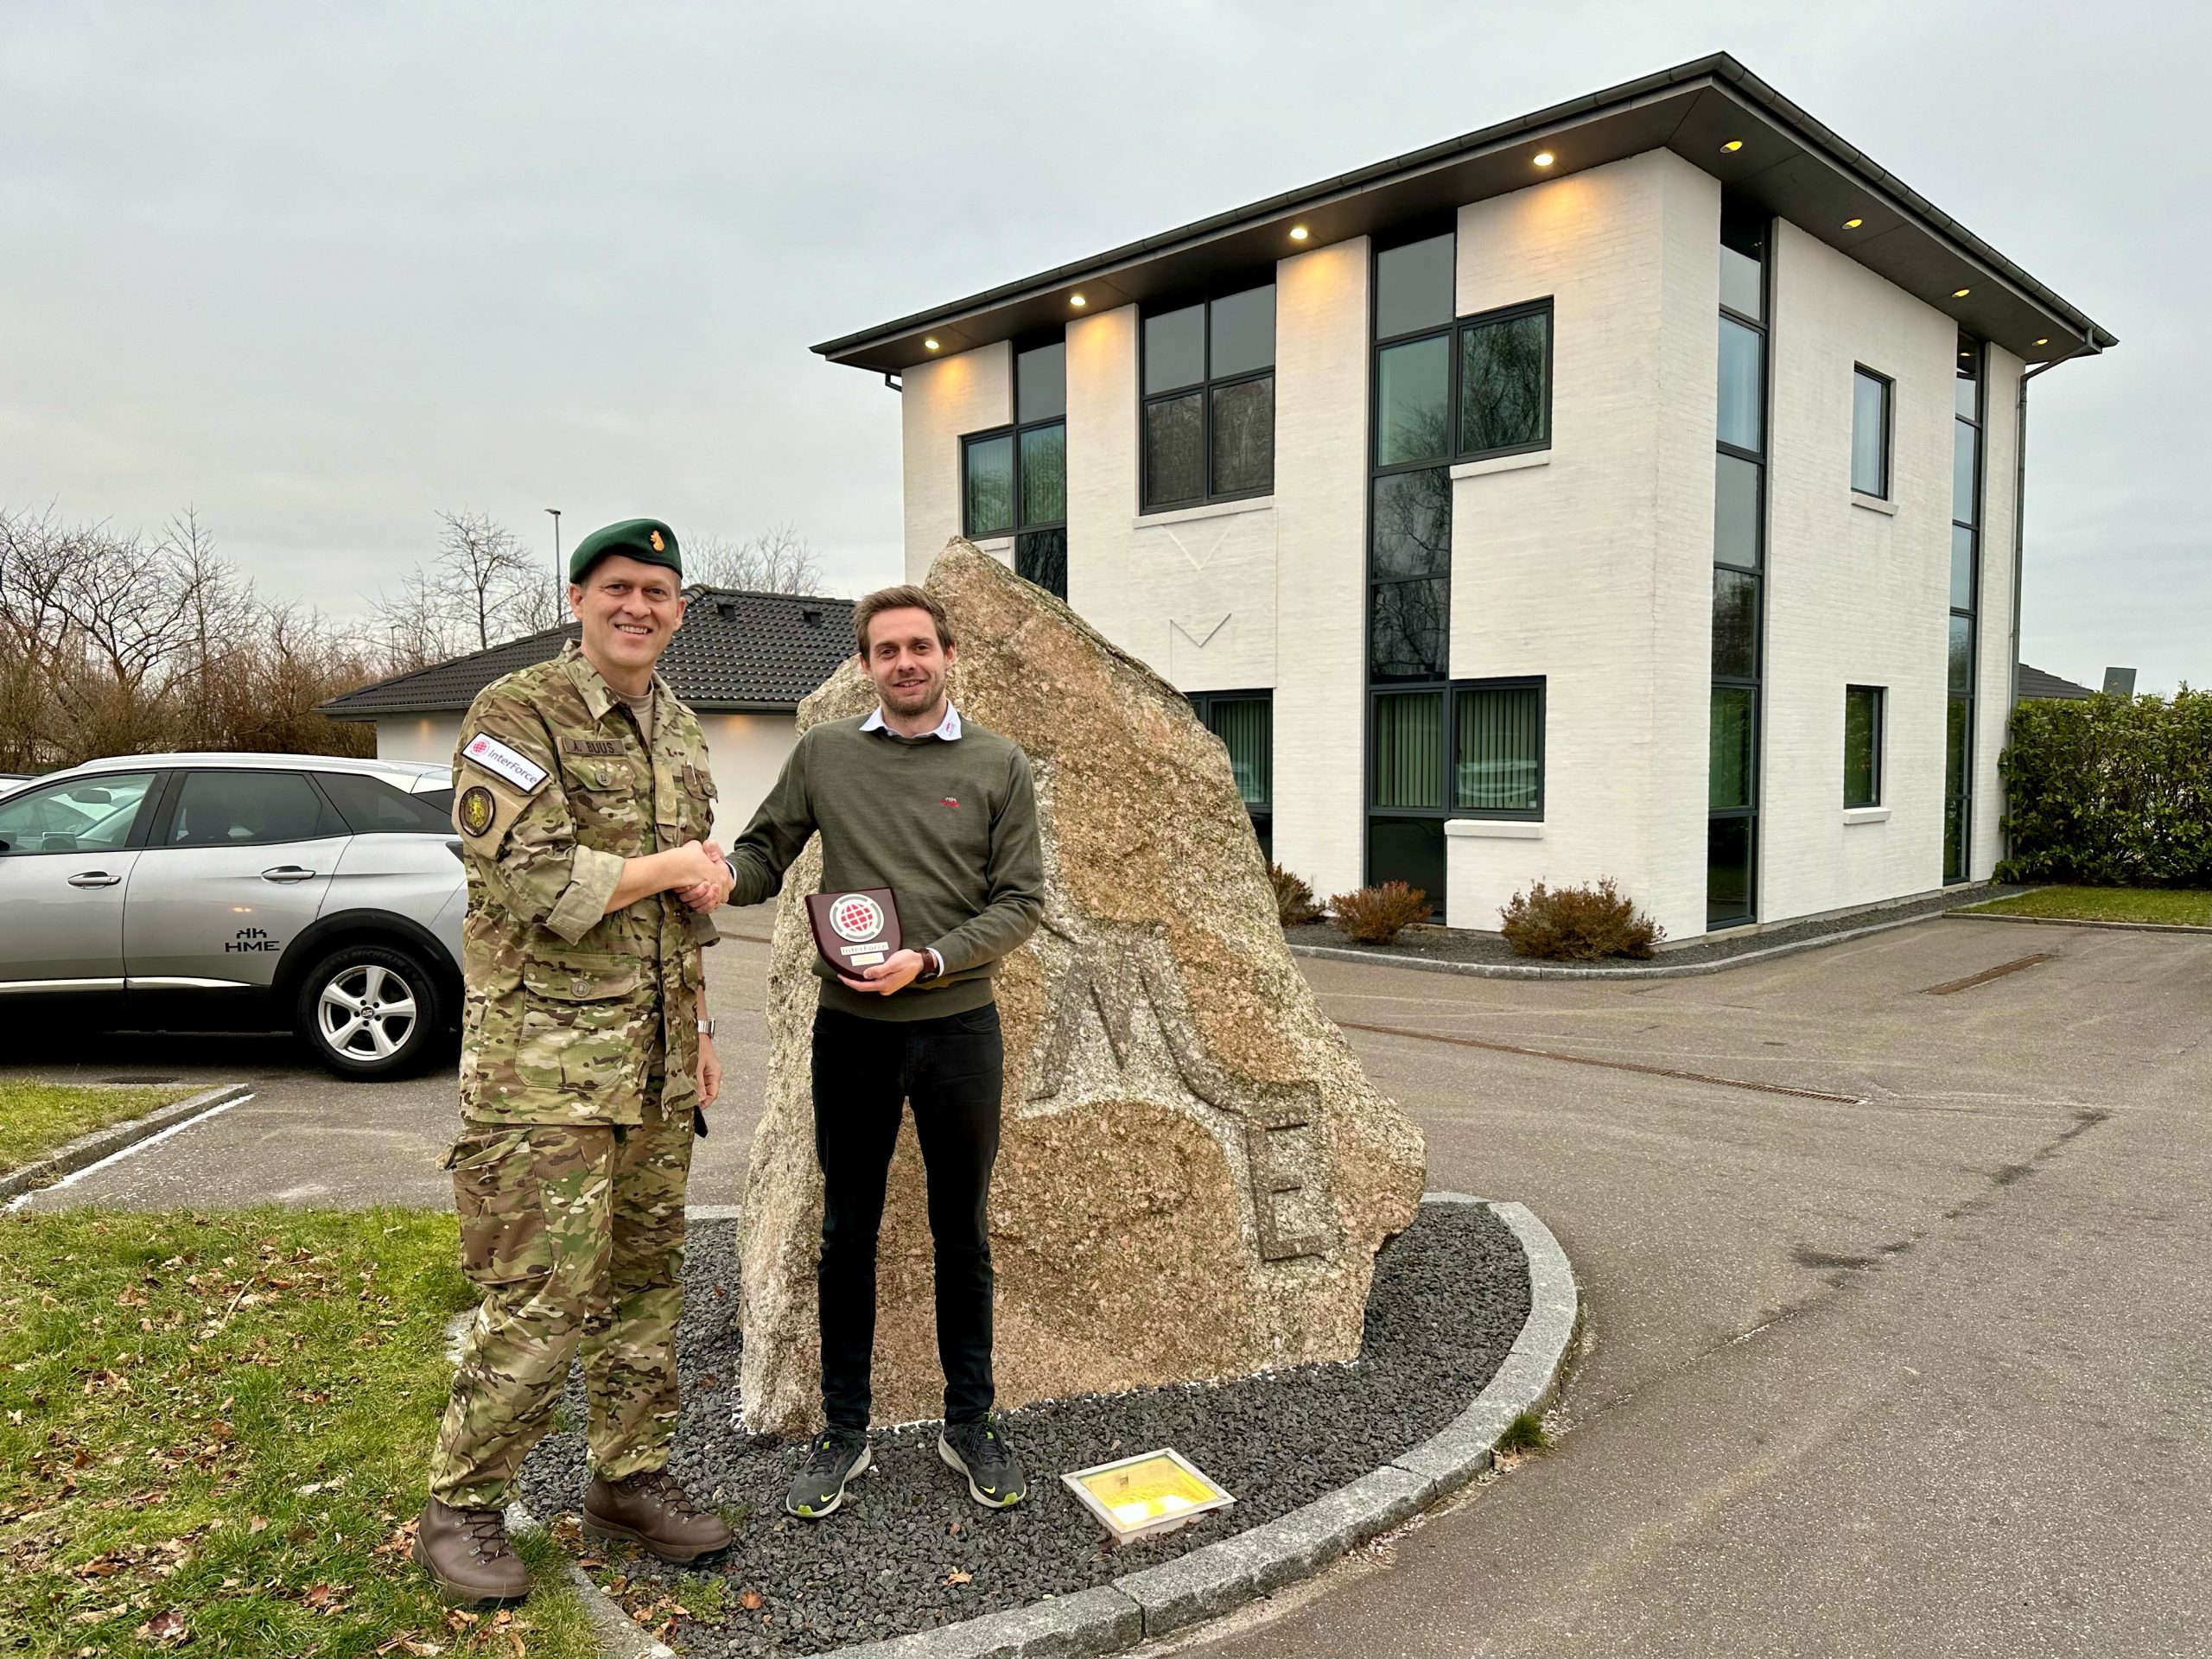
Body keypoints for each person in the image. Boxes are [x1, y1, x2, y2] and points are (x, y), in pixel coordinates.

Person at [416, 518, 739, 1605]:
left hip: (651, 1070)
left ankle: (627, 1481)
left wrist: (697, 1032)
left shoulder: (684, 726)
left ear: (680, 608)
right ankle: (462, 1503)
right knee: (543, 1297)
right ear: (576, 597)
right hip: (542, 1075)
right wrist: (676, 865)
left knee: (648, 1288)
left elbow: (681, 911)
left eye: (657, 590)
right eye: (616, 588)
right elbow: (540, 889)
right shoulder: (514, 715)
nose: (636, 606)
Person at [724, 583, 1044, 1519]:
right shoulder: (826, 755)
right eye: (886, 650)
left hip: (958, 1030)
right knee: (845, 1235)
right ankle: (845, 1431)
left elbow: (1021, 901)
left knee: (962, 1233)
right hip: (852, 1034)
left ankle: (970, 1421)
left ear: (948, 656)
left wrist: (931, 959)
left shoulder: (998, 764)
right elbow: (761, 856)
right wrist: (705, 874)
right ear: (864, 666)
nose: (905, 662)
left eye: (919, 646)